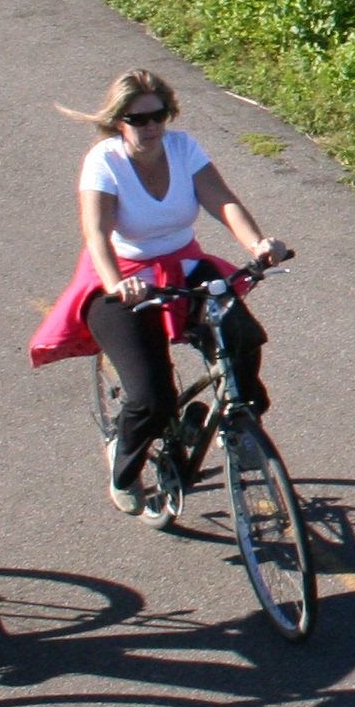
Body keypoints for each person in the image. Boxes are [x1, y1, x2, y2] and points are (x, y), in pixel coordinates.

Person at [28, 69, 287, 514]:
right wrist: (117, 285)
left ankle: (240, 425)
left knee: (242, 337)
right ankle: (123, 465)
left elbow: (223, 200)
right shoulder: (104, 161)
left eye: (158, 116)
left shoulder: (183, 149)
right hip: (121, 275)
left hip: (182, 266)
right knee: (151, 396)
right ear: (118, 122)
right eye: (137, 119)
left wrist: (258, 244)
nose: (150, 127)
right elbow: (97, 232)